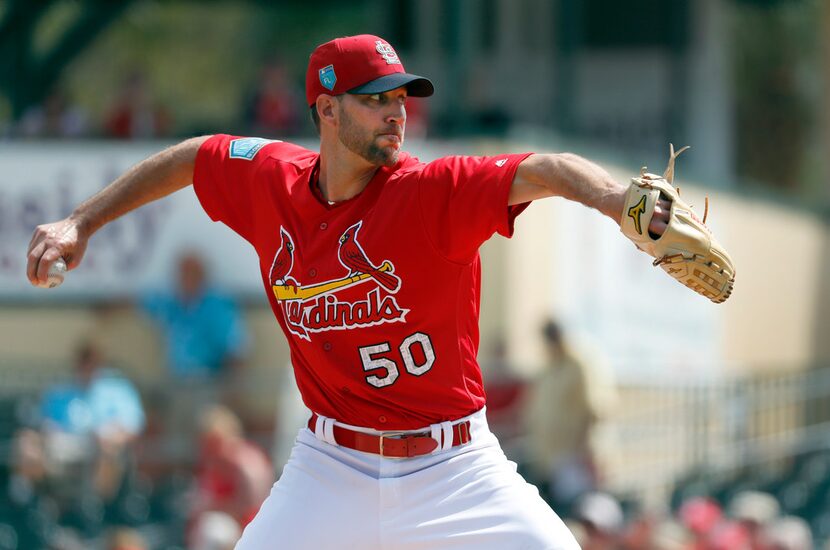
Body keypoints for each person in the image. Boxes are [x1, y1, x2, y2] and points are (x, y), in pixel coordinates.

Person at [26, 34, 721, 549]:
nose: (397, 113)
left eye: (401, 99)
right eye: (375, 99)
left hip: (454, 465)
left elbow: (542, 168)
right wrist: (79, 222)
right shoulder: (270, 180)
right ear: (326, 109)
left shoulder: (430, 193)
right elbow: (191, 156)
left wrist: (611, 199)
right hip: (331, 465)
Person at [520, 319, 615, 512]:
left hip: (576, 456)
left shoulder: (580, 363)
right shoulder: (548, 368)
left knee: (582, 512)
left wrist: (584, 451)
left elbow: (594, 409)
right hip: (551, 458)